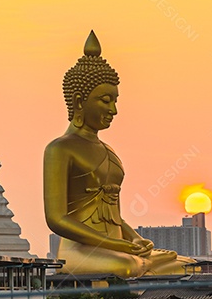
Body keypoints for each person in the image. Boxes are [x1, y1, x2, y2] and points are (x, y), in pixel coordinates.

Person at [43, 32, 194, 278]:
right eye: (105, 100)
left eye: (115, 101)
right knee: (127, 267)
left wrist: (135, 238)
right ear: (79, 101)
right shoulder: (60, 148)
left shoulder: (108, 151)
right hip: (80, 250)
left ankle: (138, 261)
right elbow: (56, 219)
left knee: (186, 263)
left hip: (118, 248)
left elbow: (115, 216)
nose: (113, 110)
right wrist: (112, 244)